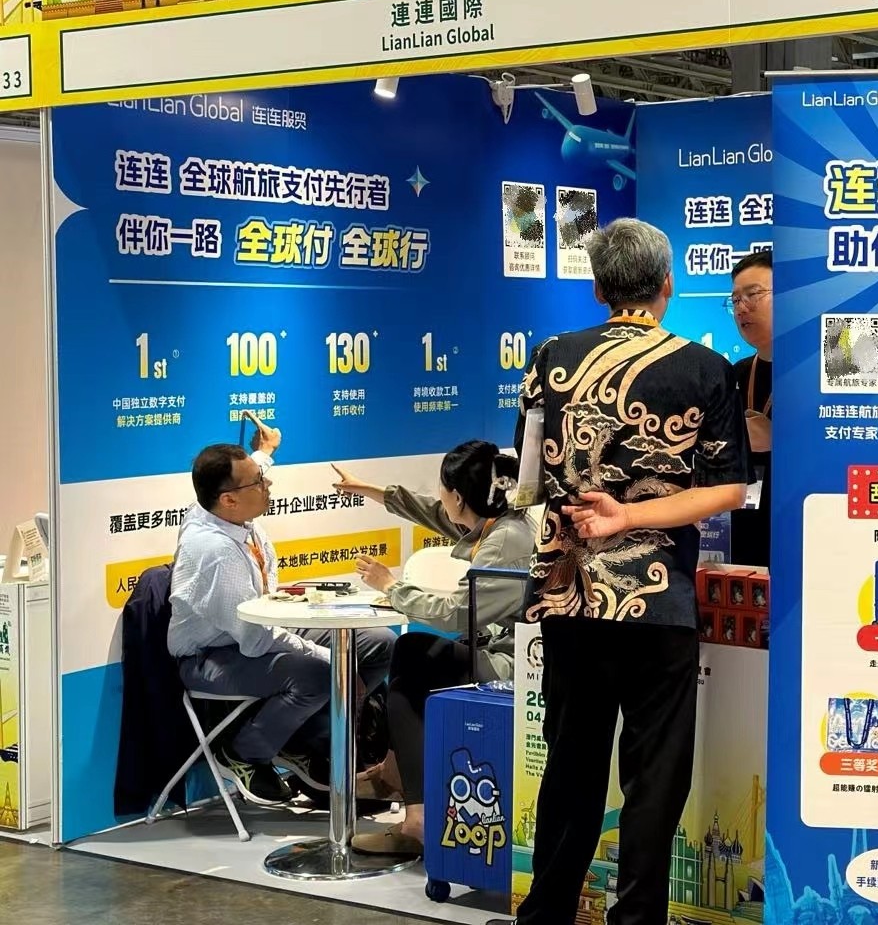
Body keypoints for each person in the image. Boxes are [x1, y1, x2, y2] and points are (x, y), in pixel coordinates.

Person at [512, 218, 747, 925]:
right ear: (667, 284)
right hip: (659, 600)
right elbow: (728, 490)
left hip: (569, 596)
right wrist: (636, 515)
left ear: (597, 288)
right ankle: (637, 918)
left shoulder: (550, 357)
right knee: (655, 775)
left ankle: (546, 914)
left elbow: (527, 479)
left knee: (571, 762)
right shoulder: (706, 368)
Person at [167, 422, 395, 806]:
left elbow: (247, 474)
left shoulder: (219, 511)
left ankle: (301, 740)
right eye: (258, 482)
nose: (267, 484)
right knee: (322, 673)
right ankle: (245, 752)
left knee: (380, 644)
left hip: (258, 633)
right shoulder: (215, 552)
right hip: (215, 654)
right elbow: (256, 640)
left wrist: (265, 452)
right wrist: (334, 660)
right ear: (229, 500)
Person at [330, 440, 537, 856]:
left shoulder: (504, 542)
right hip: (503, 651)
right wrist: (369, 490)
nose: (440, 498)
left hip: (518, 668)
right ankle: (397, 780)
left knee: (413, 653)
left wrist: (393, 587)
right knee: (413, 658)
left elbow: (458, 614)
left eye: (443, 489)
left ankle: (416, 817)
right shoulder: (497, 521)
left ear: (458, 496)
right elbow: (434, 512)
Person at [727, 249, 773, 570]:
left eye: (753, 295)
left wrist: (779, 441)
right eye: (735, 300)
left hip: (798, 524)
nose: (741, 308)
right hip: (742, 531)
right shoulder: (736, 373)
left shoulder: (821, 373)